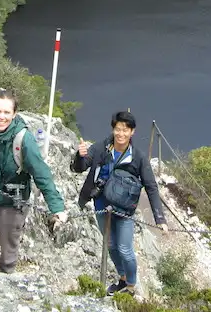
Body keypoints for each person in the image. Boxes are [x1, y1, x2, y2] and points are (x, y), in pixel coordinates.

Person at [0, 88, 68, 273]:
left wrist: (57, 207)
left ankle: (6, 280)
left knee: (8, 254)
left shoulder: (23, 140)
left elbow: (41, 173)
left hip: (13, 203)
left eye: (6, 112)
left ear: (14, 114)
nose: (1, 116)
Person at [71, 110, 167, 297]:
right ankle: (122, 279)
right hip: (101, 206)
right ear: (113, 129)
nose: (121, 134)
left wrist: (160, 218)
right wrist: (80, 156)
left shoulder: (138, 157)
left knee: (125, 248)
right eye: (118, 129)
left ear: (132, 132)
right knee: (111, 245)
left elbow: (151, 187)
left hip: (124, 210)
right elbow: (79, 168)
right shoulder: (101, 148)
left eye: (125, 130)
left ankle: (131, 286)